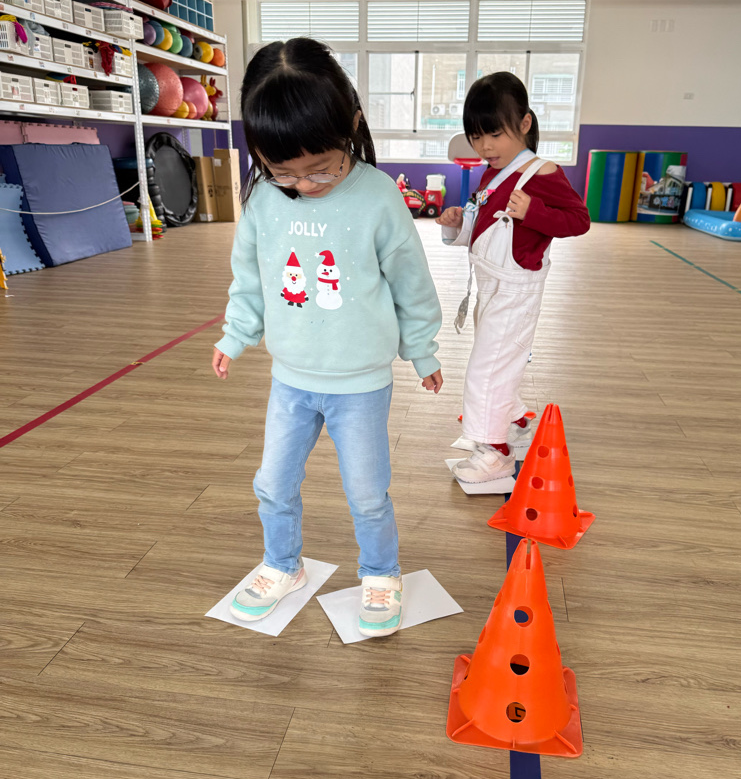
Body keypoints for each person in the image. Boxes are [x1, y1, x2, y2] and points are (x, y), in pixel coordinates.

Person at [212, 37, 442, 637]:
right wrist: (236, 334)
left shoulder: (379, 196)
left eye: (321, 168)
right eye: (284, 172)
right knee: (272, 484)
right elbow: (250, 277)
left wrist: (422, 350)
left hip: (360, 384)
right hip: (290, 379)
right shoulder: (263, 200)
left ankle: (381, 573)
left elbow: (411, 282)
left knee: (367, 494)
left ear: (352, 126)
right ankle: (281, 564)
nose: (305, 185)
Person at [436, 72, 589, 484]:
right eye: (476, 136)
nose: (485, 146)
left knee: (486, 370)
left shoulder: (543, 172)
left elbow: (580, 220)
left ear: (524, 123)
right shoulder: (493, 170)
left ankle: (495, 453)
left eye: (495, 134)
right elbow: (486, 222)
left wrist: (534, 212)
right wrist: (458, 223)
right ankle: (516, 421)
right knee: (497, 362)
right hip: (490, 285)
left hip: (516, 289)